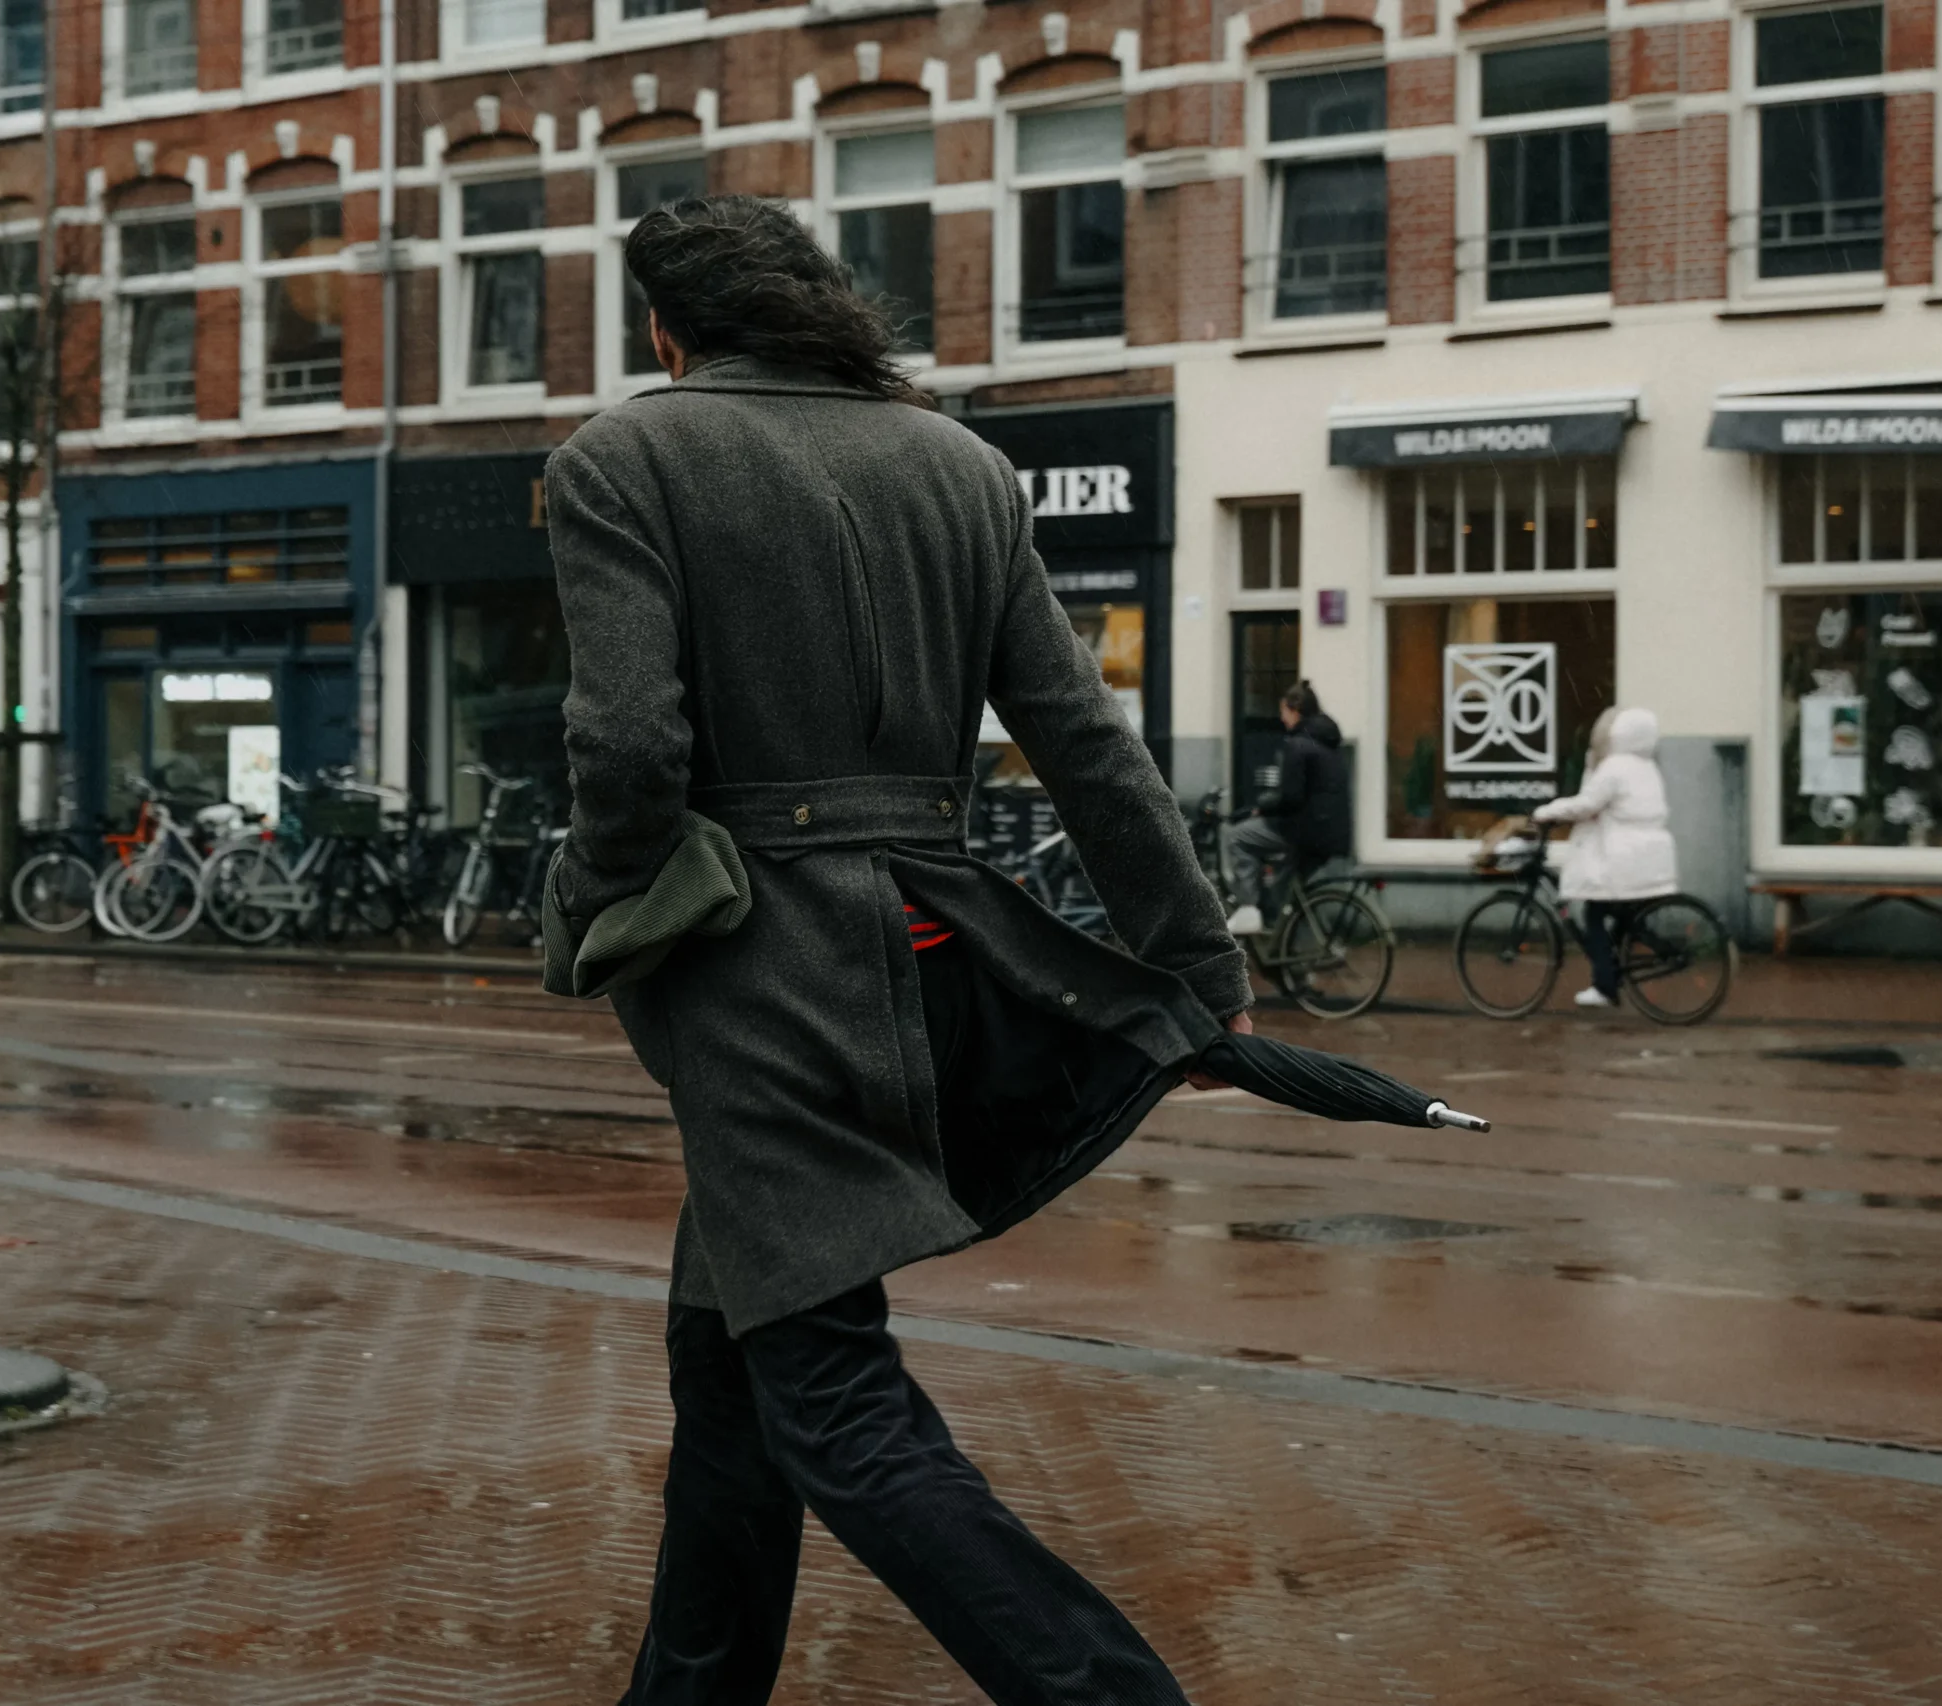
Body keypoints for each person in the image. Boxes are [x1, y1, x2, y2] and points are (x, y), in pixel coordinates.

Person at [542, 195, 1250, 1705]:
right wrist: (1199, 969)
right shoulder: (964, 468)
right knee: (727, 1376)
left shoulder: (626, 457)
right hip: (924, 959)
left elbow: (626, 749)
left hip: (755, 985)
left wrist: (599, 905)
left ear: (669, 329)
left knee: (833, 1400)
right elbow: (1085, 743)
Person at [1532, 706, 1677, 1008]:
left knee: (1593, 915)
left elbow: (1586, 805)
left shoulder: (1614, 767)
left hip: (1622, 860)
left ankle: (1604, 986)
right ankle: (1620, 966)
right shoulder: (1647, 766)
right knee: (1623, 915)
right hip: (1651, 860)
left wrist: (1546, 812)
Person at [1224, 680, 1352, 936]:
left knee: (1235, 837)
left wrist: (1262, 806)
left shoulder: (1298, 745)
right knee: (1286, 897)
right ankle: (1296, 966)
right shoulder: (1328, 741)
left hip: (1304, 831)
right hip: (1331, 832)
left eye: (1283, 711)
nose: (1281, 719)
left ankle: (1249, 909)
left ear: (1295, 710)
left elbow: (1291, 797)